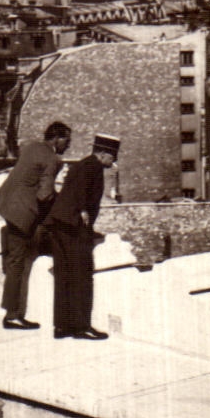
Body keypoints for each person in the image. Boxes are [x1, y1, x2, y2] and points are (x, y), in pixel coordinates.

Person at [0, 121, 72, 330]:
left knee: (14, 260)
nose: (68, 145)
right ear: (57, 138)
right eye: (67, 140)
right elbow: (44, 194)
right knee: (17, 263)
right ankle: (12, 315)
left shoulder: (32, 147)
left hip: (7, 205)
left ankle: (12, 312)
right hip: (22, 212)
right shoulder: (52, 158)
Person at [45, 133, 119, 340]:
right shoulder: (93, 167)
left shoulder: (81, 164)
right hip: (73, 226)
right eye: (112, 157)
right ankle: (81, 326)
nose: (114, 161)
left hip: (59, 224)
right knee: (82, 276)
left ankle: (62, 326)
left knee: (64, 275)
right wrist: (82, 211)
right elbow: (81, 192)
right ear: (103, 153)